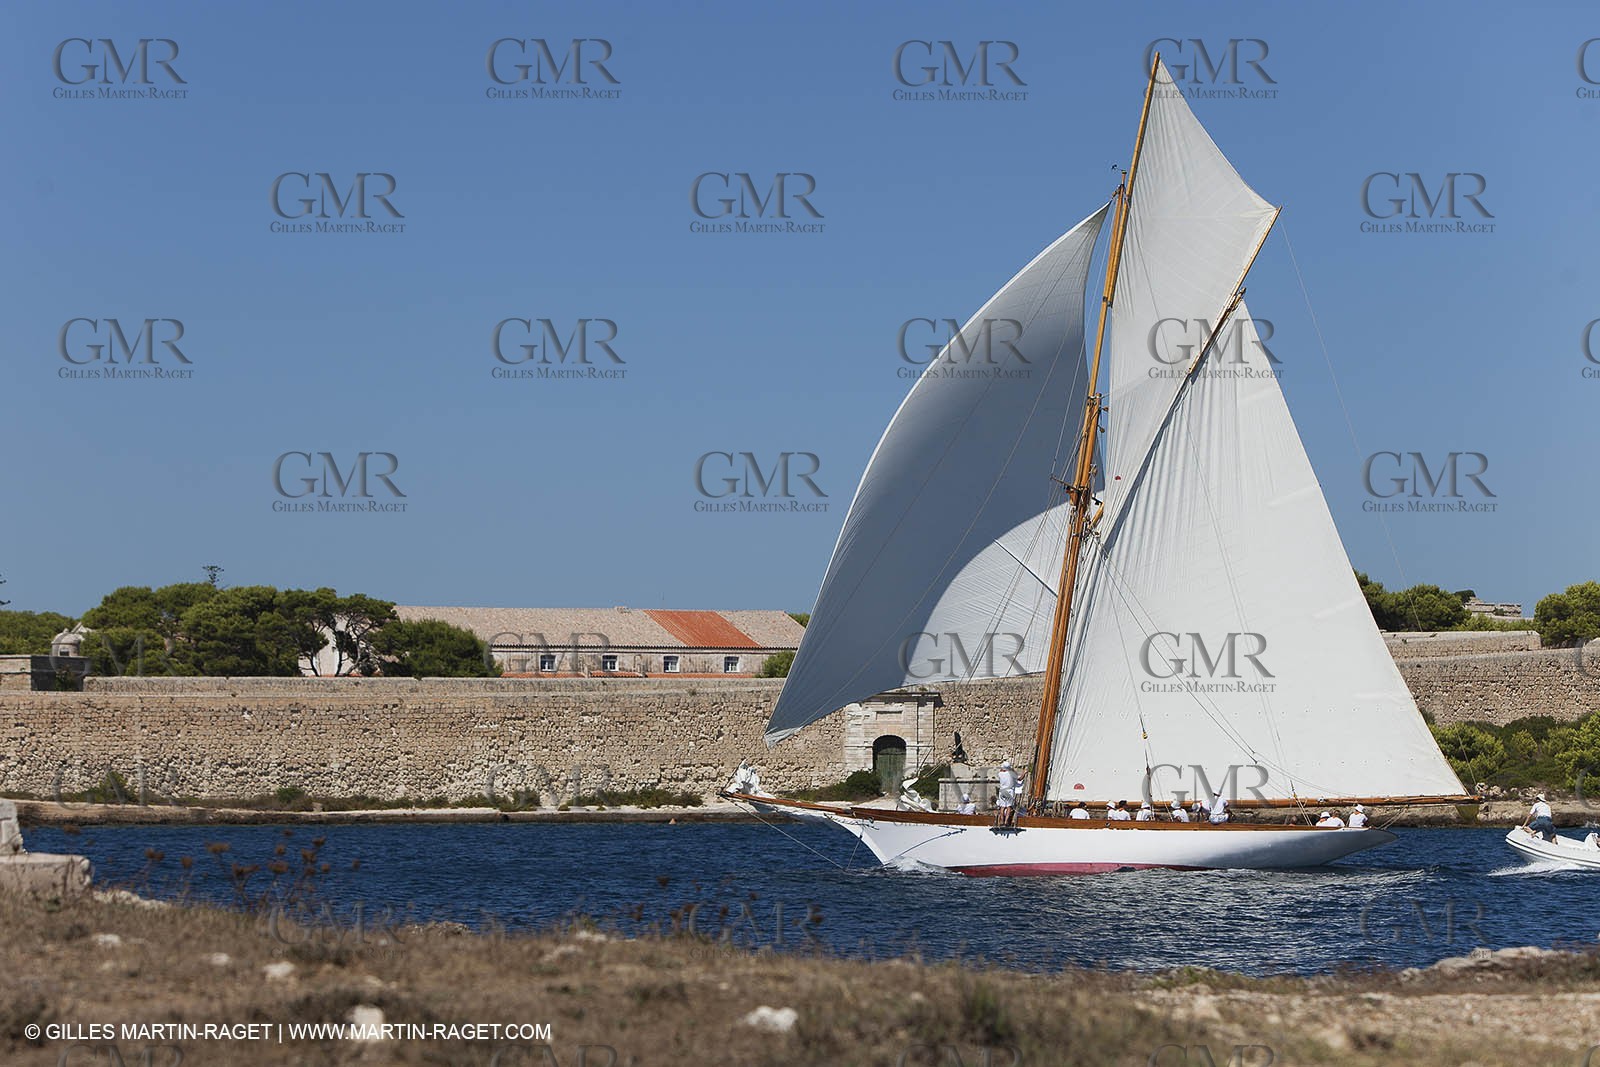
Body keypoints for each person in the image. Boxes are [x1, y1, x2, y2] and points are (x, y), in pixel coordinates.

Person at [995, 759, 1020, 828]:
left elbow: (1001, 770)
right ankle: (1006, 822)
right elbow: (1019, 778)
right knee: (1009, 807)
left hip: (1002, 790)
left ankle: (1002, 821)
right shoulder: (1011, 773)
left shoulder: (1000, 774)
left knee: (1002, 807)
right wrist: (1024, 772)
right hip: (1009, 791)